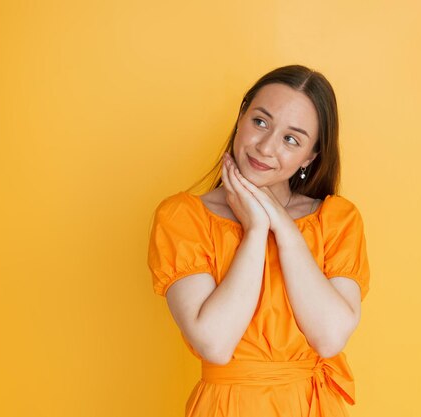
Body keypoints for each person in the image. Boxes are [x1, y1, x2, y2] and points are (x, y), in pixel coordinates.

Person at [147, 64, 370, 417]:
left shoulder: (337, 220)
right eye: (260, 122)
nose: (265, 147)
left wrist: (281, 226)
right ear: (241, 116)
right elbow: (215, 344)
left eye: (291, 139)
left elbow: (329, 338)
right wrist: (254, 232)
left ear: (310, 157)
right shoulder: (183, 217)